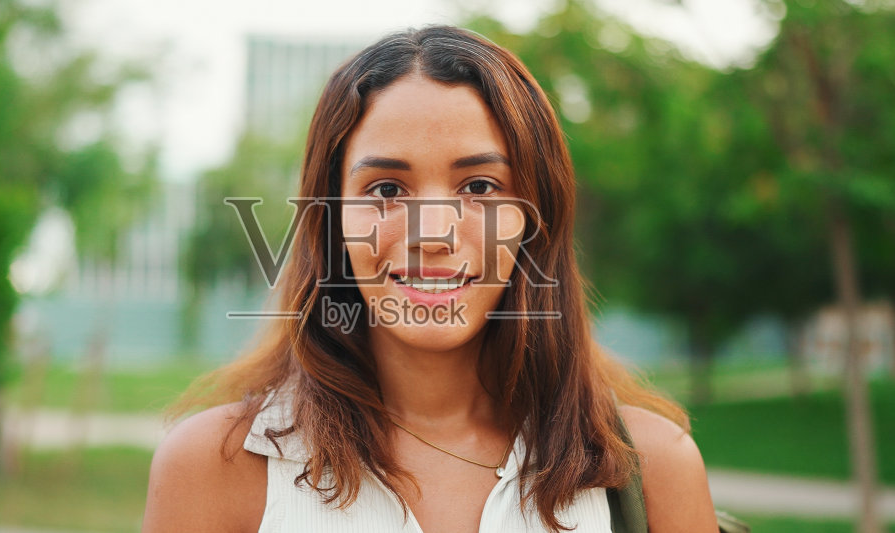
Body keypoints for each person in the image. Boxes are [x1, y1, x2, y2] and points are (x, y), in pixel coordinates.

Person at [145, 25, 717, 532]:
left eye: (480, 187)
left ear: (535, 218)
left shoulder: (652, 466)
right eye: (387, 190)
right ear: (330, 219)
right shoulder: (215, 467)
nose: (433, 234)